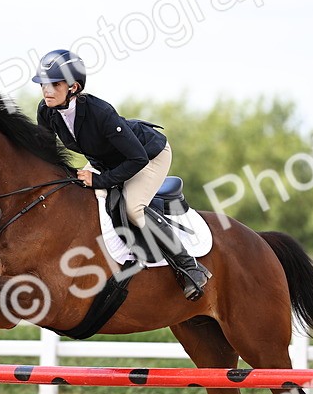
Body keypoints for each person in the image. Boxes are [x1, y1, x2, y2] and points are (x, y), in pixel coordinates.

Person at [33, 49, 210, 301]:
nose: (46, 90)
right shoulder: (47, 110)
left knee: (132, 208)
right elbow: (46, 153)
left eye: (55, 84)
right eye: (43, 84)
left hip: (148, 156)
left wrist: (99, 180)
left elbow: (136, 159)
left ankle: (190, 266)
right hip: (105, 159)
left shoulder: (100, 112)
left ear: (73, 87)